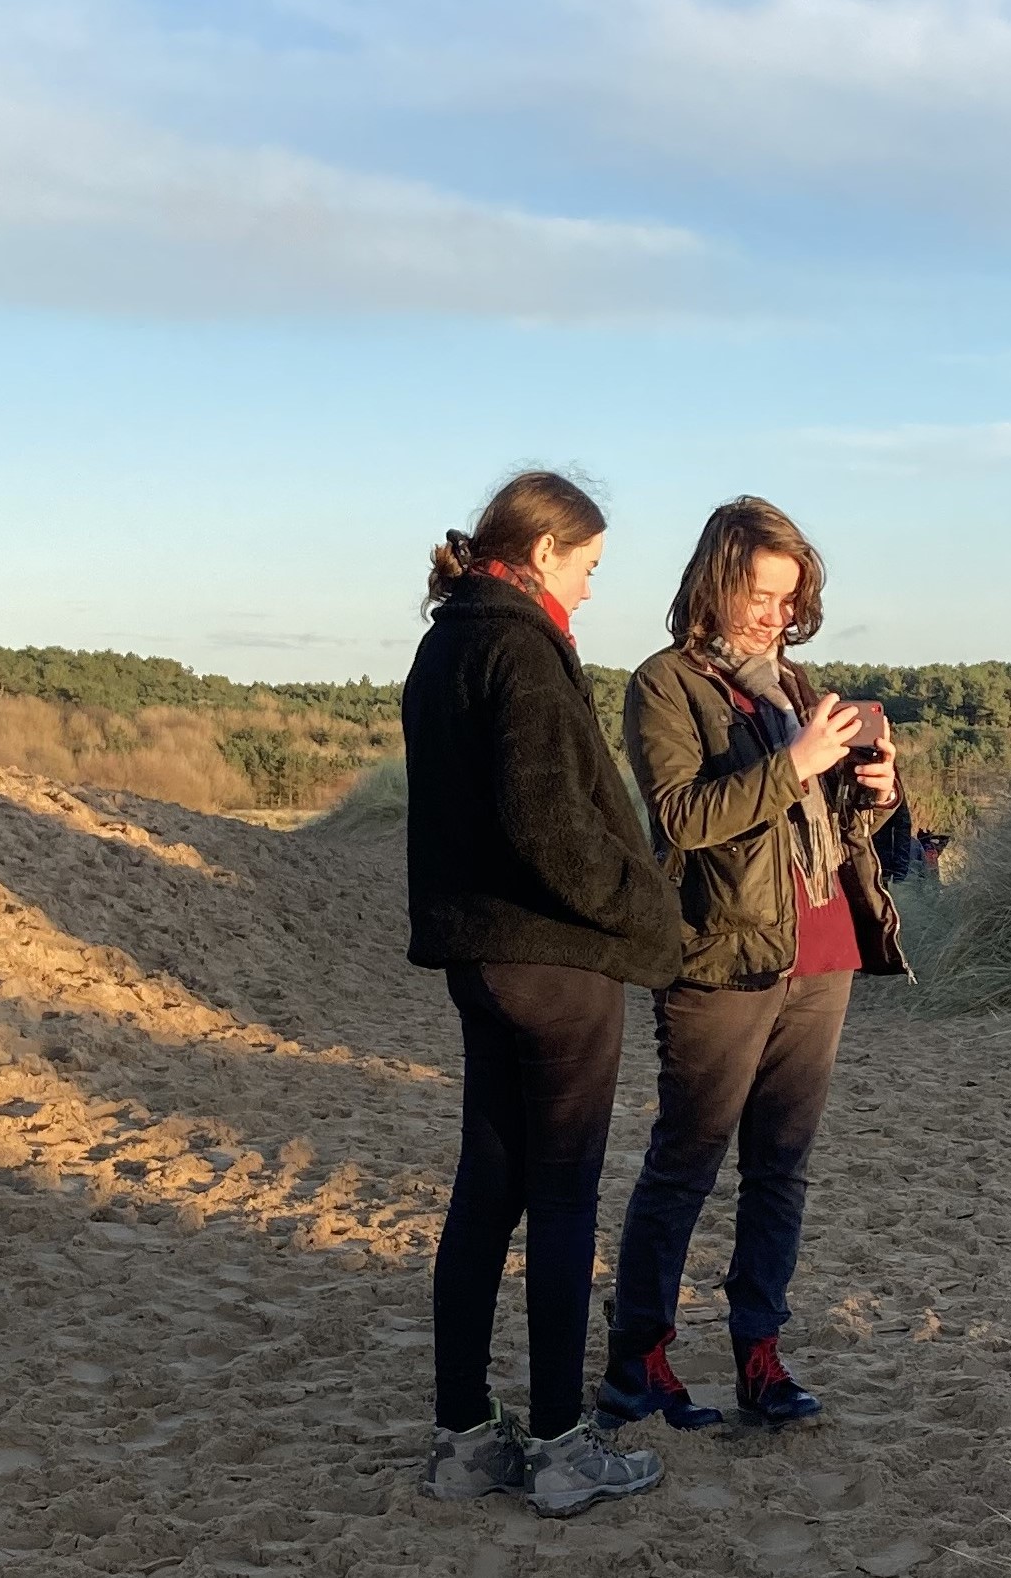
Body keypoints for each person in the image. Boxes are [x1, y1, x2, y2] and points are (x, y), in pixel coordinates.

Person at [597, 496, 906, 1436]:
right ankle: (639, 1362)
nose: (775, 615)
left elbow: (829, 825)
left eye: (789, 597)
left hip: (823, 949)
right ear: (715, 583)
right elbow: (683, 819)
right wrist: (797, 763)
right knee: (686, 1162)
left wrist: (877, 792)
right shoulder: (663, 684)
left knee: (782, 1168)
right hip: (721, 958)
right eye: (759, 594)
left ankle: (760, 1356)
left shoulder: (796, 688)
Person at [405, 471, 682, 1517]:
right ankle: (564, 1449)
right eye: (589, 566)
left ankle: (464, 1438)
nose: (593, 588)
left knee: (487, 1191)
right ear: (542, 551)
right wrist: (650, 915)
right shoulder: (520, 647)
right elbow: (552, 829)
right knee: (563, 1198)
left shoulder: (445, 642)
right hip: (553, 966)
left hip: (480, 960)